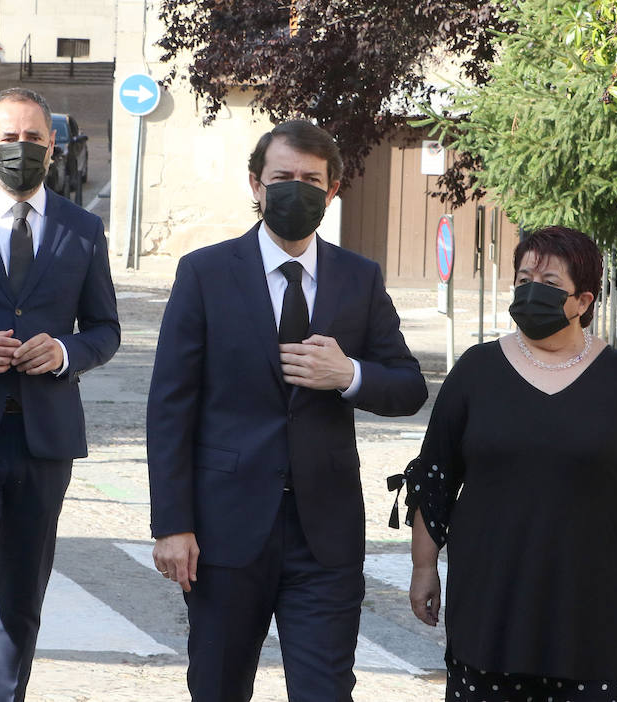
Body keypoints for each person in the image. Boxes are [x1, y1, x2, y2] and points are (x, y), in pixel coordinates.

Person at [147, 120, 428, 702]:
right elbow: (171, 405)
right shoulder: (204, 273)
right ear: (255, 185)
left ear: (332, 192)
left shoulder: (359, 278)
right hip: (224, 533)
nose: (294, 190)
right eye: (282, 178)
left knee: (325, 692)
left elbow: (407, 387)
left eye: (310, 180)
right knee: (218, 688)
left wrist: (348, 374)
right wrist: (173, 525)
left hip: (324, 536)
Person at [391, 226, 617, 702]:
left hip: (588, 607)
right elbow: (435, 477)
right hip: (489, 598)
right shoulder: (477, 370)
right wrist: (423, 567)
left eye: (549, 282)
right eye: (524, 277)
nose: (532, 290)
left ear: (583, 300)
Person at [0, 87, 120, 702]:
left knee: (22, 596)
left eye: (33, 138)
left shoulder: (83, 229)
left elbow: (106, 329)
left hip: (45, 440)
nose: (21, 149)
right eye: (8, 138)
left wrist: (65, 352)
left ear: (53, 144)